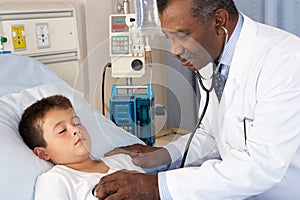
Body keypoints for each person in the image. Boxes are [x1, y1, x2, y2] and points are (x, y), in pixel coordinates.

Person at [93, 0, 300, 199]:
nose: (173, 50)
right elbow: (210, 135)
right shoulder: (213, 56)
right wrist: (164, 156)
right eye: (168, 37)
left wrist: (157, 187)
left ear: (219, 21)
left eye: (182, 35)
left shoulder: (284, 61)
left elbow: (261, 166)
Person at [18, 95, 145, 200]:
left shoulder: (123, 159)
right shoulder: (56, 180)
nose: (75, 129)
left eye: (77, 123)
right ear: (42, 153)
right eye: (62, 130)